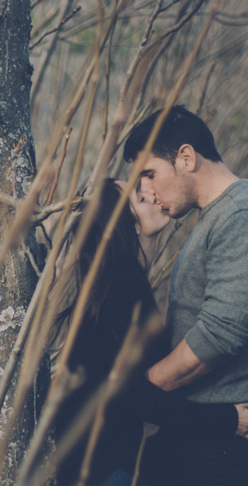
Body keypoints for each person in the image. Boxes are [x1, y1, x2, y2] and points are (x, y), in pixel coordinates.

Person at [53, 178, 248, 486]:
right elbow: (132, 395)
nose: (153, 195)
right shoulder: (122, 290)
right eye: (141, 198)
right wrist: (228, 420)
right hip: (105, 471)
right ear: (128, 226)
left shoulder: (115, 287)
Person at [122, 106, 248, 485]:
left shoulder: (238, 216)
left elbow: (221, 334)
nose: (146, 189)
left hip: (221, 447)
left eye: (149, 173)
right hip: (202, 436)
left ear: (187, 158)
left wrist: (145, 387)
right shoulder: (218, 217)